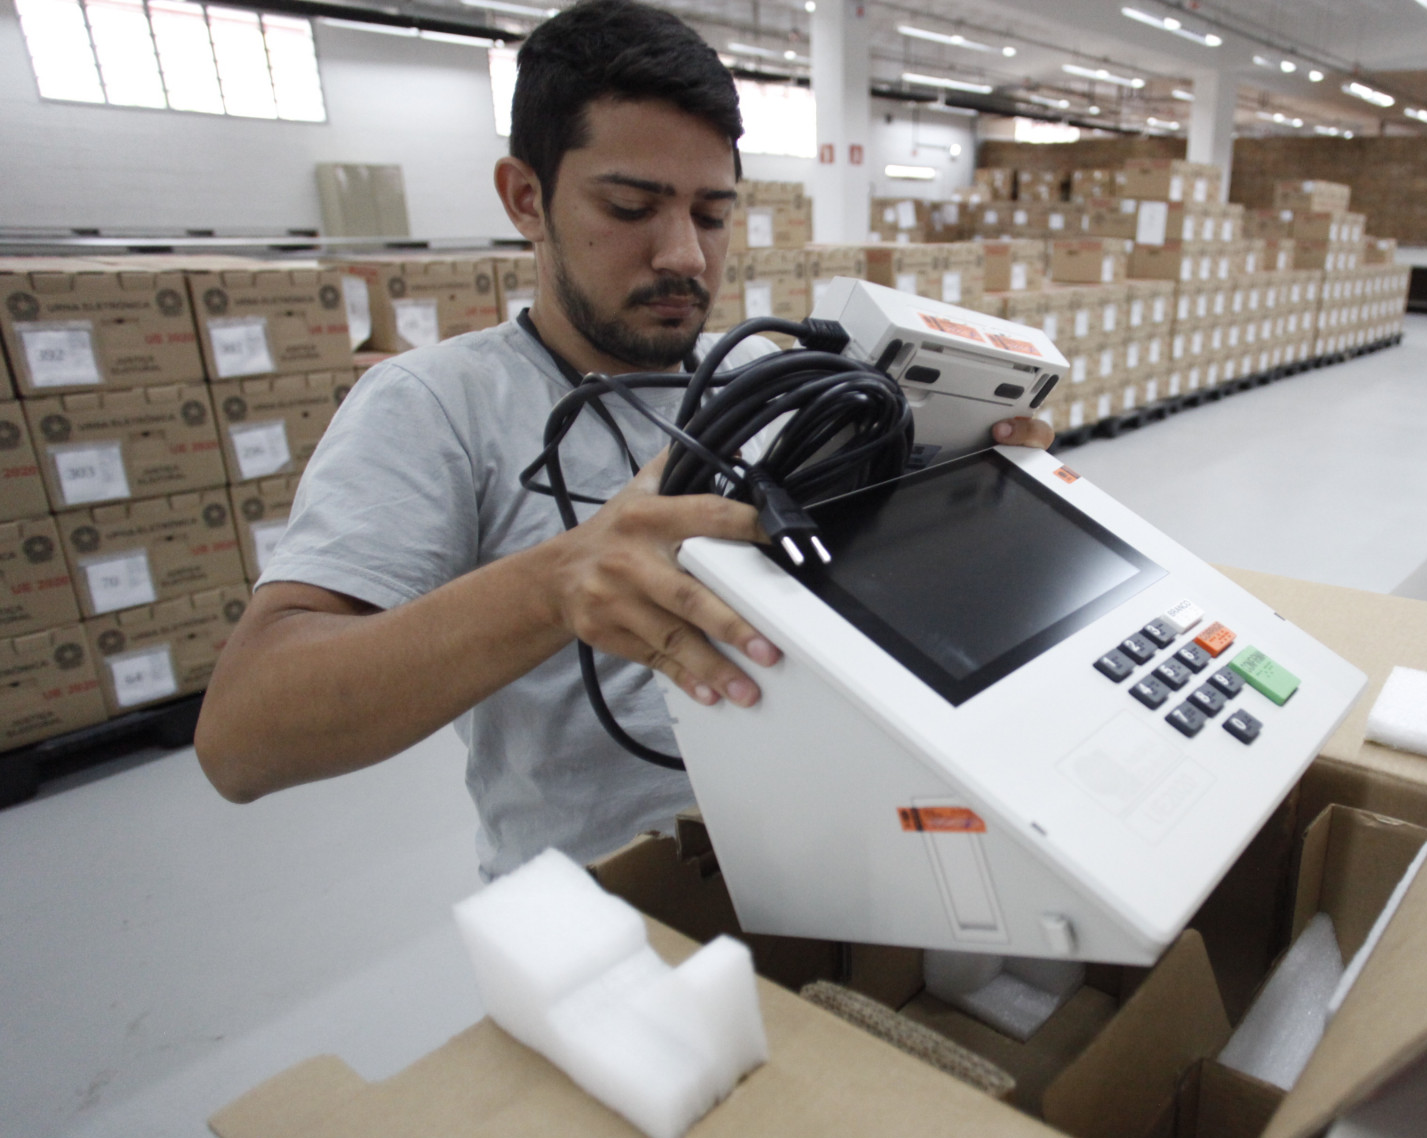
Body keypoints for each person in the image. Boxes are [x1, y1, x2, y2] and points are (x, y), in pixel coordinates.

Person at [195, 0, 1052, 878]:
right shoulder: (437, 404)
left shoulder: (767, 379)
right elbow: (241, 739)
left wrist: (976, 490)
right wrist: (551, 586)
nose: (684, 254)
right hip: (617, 909)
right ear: (527, 198)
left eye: (713, 216)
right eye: (633, 205)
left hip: (830, 852)